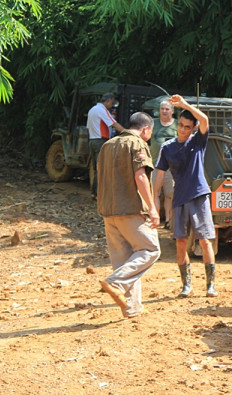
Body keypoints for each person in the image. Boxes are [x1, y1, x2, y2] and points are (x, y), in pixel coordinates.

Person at [96, 112, 160, 319]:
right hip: (130, 209)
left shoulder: (107, 145)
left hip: (108, 210)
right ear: (145, 129)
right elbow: (140, 176)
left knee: (124, 259)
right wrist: (152, 207)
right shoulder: (138, 144)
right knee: (150, 250)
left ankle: (131, 307)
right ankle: (115, 282)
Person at [154, 95, 218, 298]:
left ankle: (210, 285)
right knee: (180, 242)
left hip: (199, 196)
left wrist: (184, 105)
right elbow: (160, 175)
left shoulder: (198, 142)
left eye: (187, 126)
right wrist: (153, 198)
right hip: (179, 199)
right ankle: (186, 285)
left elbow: (205, 120)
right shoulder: (167, 148)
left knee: (205, 241)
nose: (182, 129)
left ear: (193, 128)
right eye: (180, 125)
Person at [88, 93, 125, 199]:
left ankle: (94, 192)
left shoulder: (92, 110)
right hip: (101, 141)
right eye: (112, 103)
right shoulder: (102, 110)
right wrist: (127, 132)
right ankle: (98, 194)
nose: (112, 105)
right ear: (108, 101)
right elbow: (114, 123)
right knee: (102, 168)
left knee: (97, 168)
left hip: (92, 140)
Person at [149, 99, 177, 228]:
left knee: (169, 194)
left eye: (167, 109)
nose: (164, 111)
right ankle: (154, 219)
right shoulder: (153, 124)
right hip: (155, 164)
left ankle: (168, 220)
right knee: (155, 193)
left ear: (172, 111)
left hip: (172, 166)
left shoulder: (177, 125)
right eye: (162, 109)